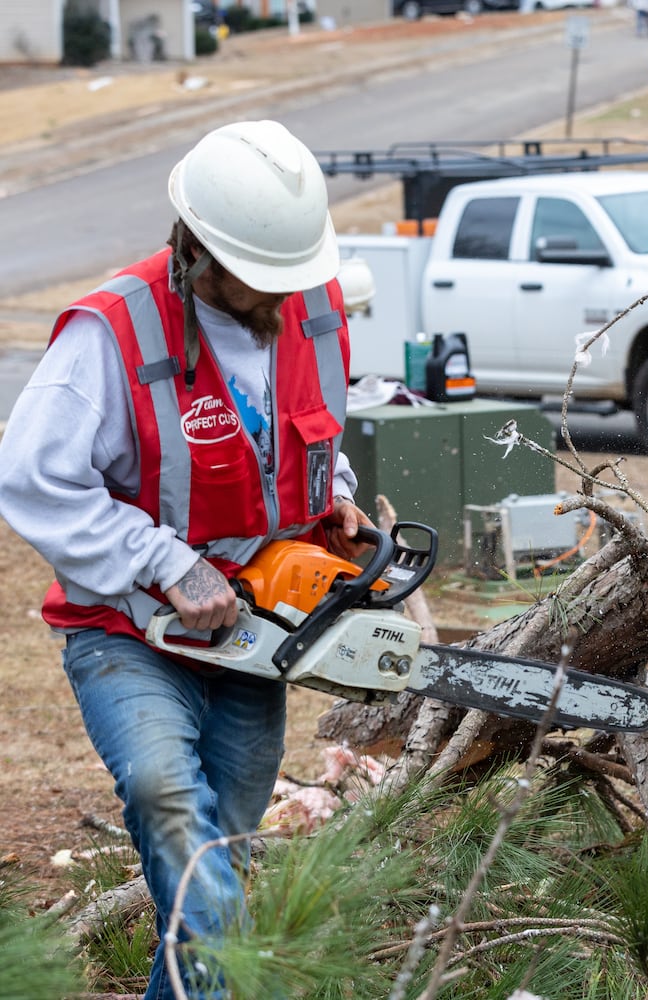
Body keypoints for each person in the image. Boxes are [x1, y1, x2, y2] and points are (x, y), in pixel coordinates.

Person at [0, 119, 372, 1000]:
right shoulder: (114, 332)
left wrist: (337, 495)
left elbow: (304, 433)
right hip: (130, 630)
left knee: (219, 852)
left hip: (254, 636)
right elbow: (31, 478)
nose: (284, 292)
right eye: (262, 276)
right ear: (200, 248)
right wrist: (164, 560)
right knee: (171, 804)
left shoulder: (312, 308)